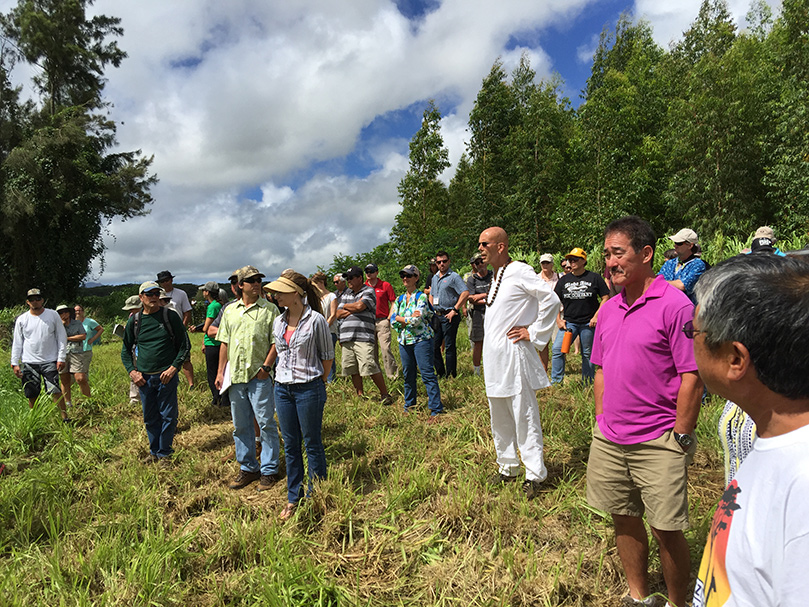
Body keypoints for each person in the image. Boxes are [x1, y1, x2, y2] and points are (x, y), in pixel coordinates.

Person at [586, 216, 703, 607]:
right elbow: (600, 368)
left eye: (618, 253)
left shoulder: (675, 305)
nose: (610, 263)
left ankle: (676, 602)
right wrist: (602, 419)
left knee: (666, 528)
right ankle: (637, 597)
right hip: (611, 437)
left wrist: (681, 434)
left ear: (646, 254)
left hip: (659, 438)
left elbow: (692, 375)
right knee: (623, 517)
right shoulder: (610, 308)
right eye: (606, 255)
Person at [688, 254, 809, 607]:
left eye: (692, 332)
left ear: (736, 360)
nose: (689, 341)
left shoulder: (802, 485)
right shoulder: (774, 437)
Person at [477, 228, 560, 500]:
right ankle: (508, 466)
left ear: (500, 246)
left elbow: (550, 298)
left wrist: (533, 332)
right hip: (495, 359)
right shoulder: (497, 275)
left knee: (524, 414)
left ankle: (535, 474)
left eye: (484, 244)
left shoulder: (520, 270)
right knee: (499, 414)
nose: (480, 249)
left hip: (514, 355)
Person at [264, 271, 334, 521]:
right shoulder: (278, 322)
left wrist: (319, 381)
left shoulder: (315, 320)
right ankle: (294, 496)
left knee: (312, 442)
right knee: (291, 445)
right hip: (282, 388)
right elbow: (280, 355)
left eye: (280, 292)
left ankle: (317, 494)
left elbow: (327, 356)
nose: (275, 296)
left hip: (309, 388)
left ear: (296, 293)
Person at [215, 266, 281, 491]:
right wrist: (220, 371)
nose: (256, 284)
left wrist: (266, 367)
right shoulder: (230, 311)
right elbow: (224, 342)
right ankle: (248, 468)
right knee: (241, 425)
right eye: (251, 280)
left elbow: (276, 342)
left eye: (258, 280)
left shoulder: (270, 310)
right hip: (236, 377)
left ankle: (270, 470)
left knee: (265, 423)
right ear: (240, 285)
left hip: (259, 376)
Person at [121, 281, 189, 462]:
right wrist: (132, 372)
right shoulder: (134, 321)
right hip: (144, 378)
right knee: (150, 416)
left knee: (168, 415)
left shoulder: (170, 316)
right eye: (149, 294)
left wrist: (174, 368)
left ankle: (164, 452)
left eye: (156, 294)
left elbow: (184, 345)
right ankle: (154, 451)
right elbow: (125, 350)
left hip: (166, 376)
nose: (153, 297)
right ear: (141, 297)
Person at [390, 264, 443, 419]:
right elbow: (392, 320)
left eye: (409, 275)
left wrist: (401, 319)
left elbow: (416, 320)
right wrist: (402, 319)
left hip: (421, 341)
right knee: (408, 375)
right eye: (403, 276)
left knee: (427, 374)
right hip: (404, 341)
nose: (405, 278)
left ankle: (435, 409)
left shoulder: (422, 297)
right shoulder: (399, 299)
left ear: (416, 278)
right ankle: (409, 406)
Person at [550, 247, 609, 385]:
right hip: (569, 323)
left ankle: (587, 382)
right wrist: (559, 319)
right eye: (569, 260)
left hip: (588, 324)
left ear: (583, 261)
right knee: (558, 350)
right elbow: (554, 301)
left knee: (587, 353)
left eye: (575, 259)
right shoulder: (564, 280)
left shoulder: (594, 278)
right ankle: (556, 382)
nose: (571, 262)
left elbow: (605, 297)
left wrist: (596, 317)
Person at [336, 266, 393, 404]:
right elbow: (337, 313)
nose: (348, 281)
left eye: (351, 278)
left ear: (360, 278)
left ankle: (385, 394)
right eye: (347, 278)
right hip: (347, 336)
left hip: (363, 334)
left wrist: (346, 307)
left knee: (369, 364)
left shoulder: (368, 290)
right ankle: (360, 395)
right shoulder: (345, 294)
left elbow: (360, 307)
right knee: (352, 368)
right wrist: (352, 308)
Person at [11, 289, 69, 421]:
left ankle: (64, 417)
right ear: (27, 302)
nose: (35, 301)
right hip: (29, 361)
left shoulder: (52, 315)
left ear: (42, 300)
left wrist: (61, 357)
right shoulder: (22, 319)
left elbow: (61, 337)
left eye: (37, 298)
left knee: (55, 390)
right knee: (32, 392)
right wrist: (15, 362)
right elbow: (17, 342)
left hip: (50, 360)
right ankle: (34, 419)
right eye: (32, 299)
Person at [428, 251, 469, 378]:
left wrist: (455, 309)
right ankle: (440, 373)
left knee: (449, 346)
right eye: (439, 262)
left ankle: (451, 374)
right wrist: (430, 311)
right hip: (437, 315)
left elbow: (465, 293)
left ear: (449, 261)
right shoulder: (435, 277)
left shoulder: (454, 277)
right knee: (434, 346)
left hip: (449, 314)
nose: (442, 264)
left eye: (444, 261)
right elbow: (432, 294)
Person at [156, 270, 195, 388]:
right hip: (163, 331)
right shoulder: (156, 294)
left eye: (167, 280)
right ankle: (170, 382)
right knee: (167, 358)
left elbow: (187, 312)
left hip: (178, 329)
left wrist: (182, 327)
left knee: (185, 357)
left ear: (171, 280)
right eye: (162, 281)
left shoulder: (180, 293)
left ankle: (191, 384)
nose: (165, 283)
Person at [365, 263, 399, 380]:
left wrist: (389, 317)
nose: (369, 274)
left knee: (385, 349)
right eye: (367, 271)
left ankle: (392, 375)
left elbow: (393, 302)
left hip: (382, 320)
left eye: (371, 271)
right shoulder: (363, 287)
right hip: (368, 322)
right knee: (371, 351)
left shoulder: (385, 285)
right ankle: (375, 376)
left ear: (377, 272)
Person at [657, 228, 708, 304]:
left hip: (687, 311)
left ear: (690, 245)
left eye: (679, 243)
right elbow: (658, 281)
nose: (675, 245)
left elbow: (682, 286)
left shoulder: (698, 265)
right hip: (666, 307)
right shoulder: (670, 263)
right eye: (675, 242)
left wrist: (661, 282)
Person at [56, 304, 87, 409]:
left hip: (76, 352)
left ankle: (88, 400)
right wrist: (62, 326)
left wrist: (68, 338)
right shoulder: (57, 325)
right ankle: (68, 403)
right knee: (64, 379)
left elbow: (83, 336)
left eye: (65, 312)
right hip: (62, 353)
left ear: (69, 313)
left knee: (80, 378)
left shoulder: (77, 323)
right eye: (60, 313)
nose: (64, 315)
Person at [466, 253, 492, 376]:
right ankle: (477, 371)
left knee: (494, 340)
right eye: (477, 263)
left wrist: (479, 296)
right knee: (478, 342)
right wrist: (488, 295)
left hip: (494, 312)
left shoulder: (493, 275)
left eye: (481, 261)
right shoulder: (472, 279)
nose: (480, 264)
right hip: (478, 313)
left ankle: (493, 368)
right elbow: (471, 298)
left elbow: (499, 293)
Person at [199, 281, 224, 407]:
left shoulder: (212, 306)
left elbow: (206, 328)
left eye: (204, 290)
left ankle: (217, 399)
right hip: (219, 343)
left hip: (213, 343)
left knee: (212, 373)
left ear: (207, 292)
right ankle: (222, 397)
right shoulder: (220, 305)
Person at [311, 272, 338, 382]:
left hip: (330, 331)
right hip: (316, 332)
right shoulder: (315, 298)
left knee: (329, 355)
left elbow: (333, 315)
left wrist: (324, 328)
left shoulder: (332, 296)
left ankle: (332, 380)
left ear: (321, 283)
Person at [537, 253, 561, 370]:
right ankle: (543, 369)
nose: (545, 265)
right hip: (541, 314)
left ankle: (557, 370)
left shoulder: (560, 277)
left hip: (558, 314)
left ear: (552, 264)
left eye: (547, 263)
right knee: (542, 344)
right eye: (543, 263)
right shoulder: (536, 279)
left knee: (557, 343)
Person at [122, 295, 143, 405]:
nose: (131, 311)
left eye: (133, 308)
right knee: (135, 371)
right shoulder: (132, 317)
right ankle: (135, 398)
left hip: (146, 349)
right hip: (136, 348)